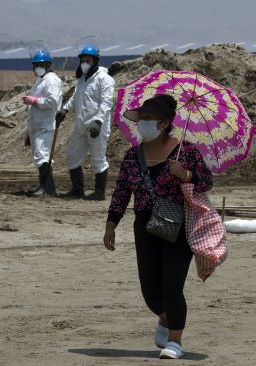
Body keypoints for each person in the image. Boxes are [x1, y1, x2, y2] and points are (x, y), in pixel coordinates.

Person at [102, 94, 213, 359]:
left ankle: (175, 341)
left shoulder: (186, 152)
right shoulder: (132, 156)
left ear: (164, 124)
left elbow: (206, 182)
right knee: (150, 290)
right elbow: (120, 193)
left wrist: (186, 174)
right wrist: (111, 224)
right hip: (145, 226)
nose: (142, 124)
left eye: (148, 120)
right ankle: (165, 318)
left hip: (177, 225)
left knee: (172, 286)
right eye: (141, 119)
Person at [55, 43, 114, 200]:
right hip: (80, 125)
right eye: (82, 60)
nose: (85, 64)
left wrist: (99, 121)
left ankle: (99, 192)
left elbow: (106, 102)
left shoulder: (104, 79)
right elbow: (76, 97)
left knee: (98, 158)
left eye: (88, 60)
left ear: (95, 61)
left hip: (96, 127)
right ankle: (77, 189)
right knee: (72, 156)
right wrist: (65, 110)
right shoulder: (82, 79)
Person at [22, 49, 63, 197]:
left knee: (42, 156)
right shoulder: (41, 80)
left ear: (48, 64)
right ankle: (45, 187)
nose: (38, 67)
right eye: (36, 65)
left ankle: (47, 188)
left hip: (45, 124)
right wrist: (29, 130)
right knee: (42, 156)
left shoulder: (51, 80)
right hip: (38, 125)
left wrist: (34, 101)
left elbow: (52, 102)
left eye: (41, 64)